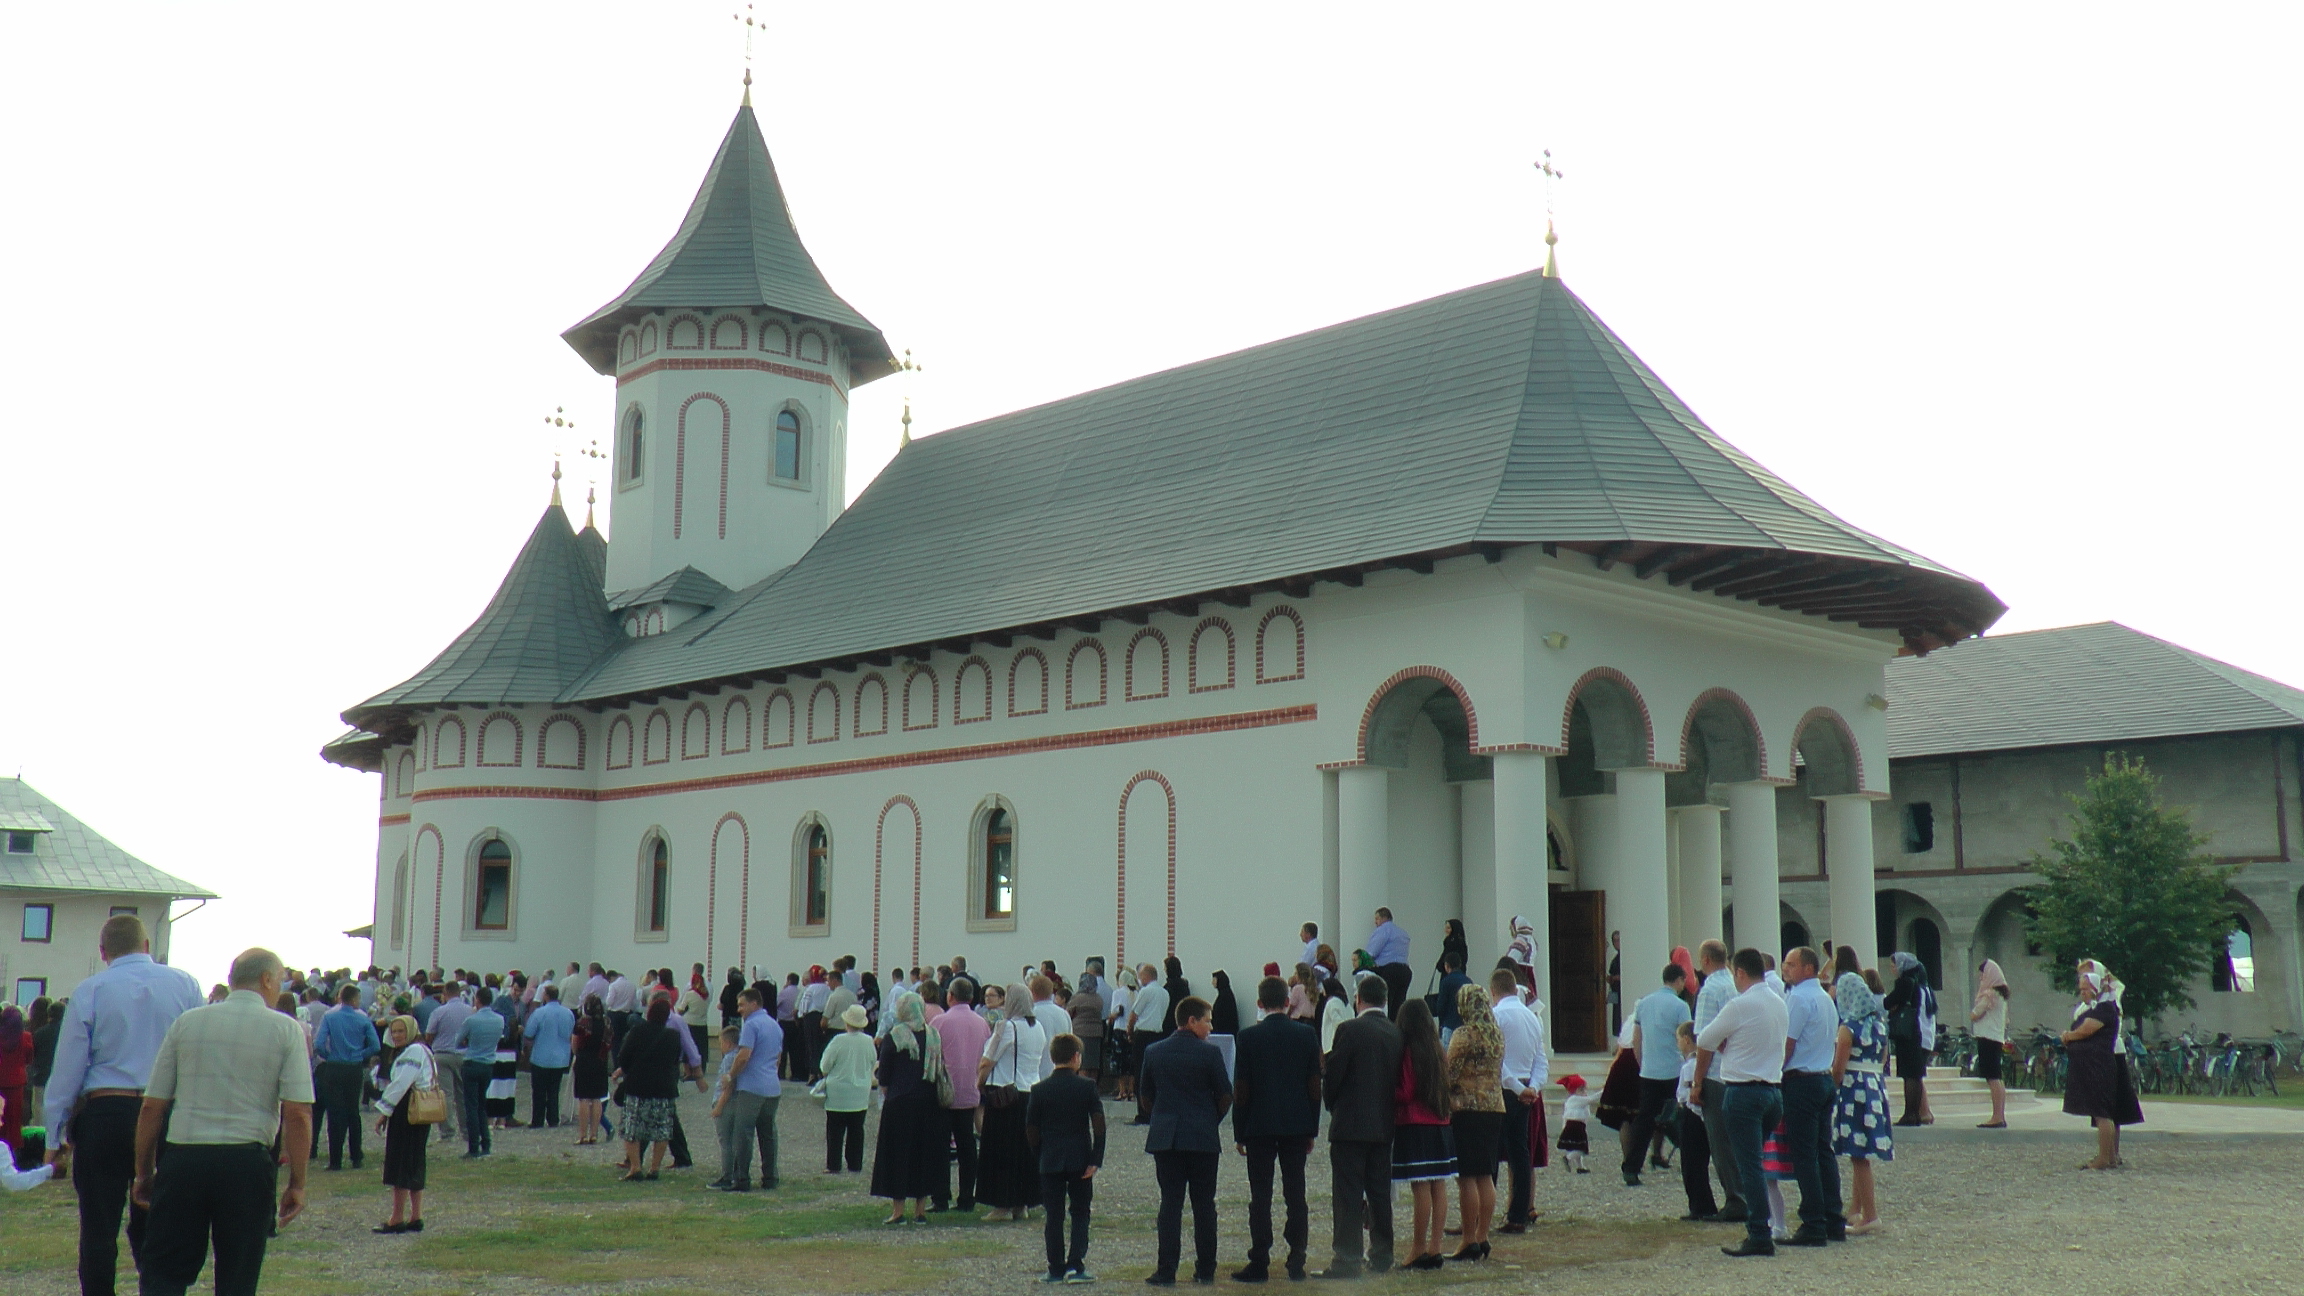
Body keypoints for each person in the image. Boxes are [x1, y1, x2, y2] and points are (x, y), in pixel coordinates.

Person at [133, 948, 314, 1296]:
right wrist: (298, 1181)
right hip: (246, 1160)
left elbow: (152, 1106)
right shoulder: (285, 1029)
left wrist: (144, 1171)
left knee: (165, 1273)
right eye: (279, 981)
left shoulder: (188, 1023)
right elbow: (298, 1113)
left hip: (185, 1157)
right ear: (266, 980)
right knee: (237, 1276)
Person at [42, 912, 204, 1296]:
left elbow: (68, 1071)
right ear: (147, 946)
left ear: (103, 952)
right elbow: (197, 1054)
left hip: (106, 1111)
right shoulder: (184, 985)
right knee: (160, 1217)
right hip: (166, 1111)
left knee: (98, 1224)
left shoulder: (91, 990)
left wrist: (55, 1134)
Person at [1691, 948, 1790, 1258]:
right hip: (1773, 1090)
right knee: (1755, 1163)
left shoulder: (1740, 1005)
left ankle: (1759, 1233)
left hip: (1743, 1090)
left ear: (1740, 973)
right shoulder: (1779, 1002)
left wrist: (1725, 1041)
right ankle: (1766, 1225)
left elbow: (1704, 1038)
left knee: (1749, 1166)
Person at [1231, 975, 1321, 1282]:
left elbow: (1241, 1088)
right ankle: (1297, 1258)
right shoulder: (1306, 1036)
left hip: (1258, 1124)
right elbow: (1313, 1086)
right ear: (1287, 1002)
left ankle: (1259, 1259)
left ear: (1259, 1004)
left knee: (1261, 1195)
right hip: (1296, 1123)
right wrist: (1312, 1127)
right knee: (1296, 1192)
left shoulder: (1247, 1037)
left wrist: (1239, 1130)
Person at [1140, 995, 1231, 1285]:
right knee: (1204, 1204)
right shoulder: (1210, 1054)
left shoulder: (1154, 1051)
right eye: (1207, 1020)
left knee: (1170, 1204)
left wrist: (1161, 1117)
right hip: (1201, 1135)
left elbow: (1145, 1096)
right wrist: (1209, 1119)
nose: (1210, 1026)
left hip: (1166, 1135)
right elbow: (1225, 1095)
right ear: (1191, 1021)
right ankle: (1205, 1269)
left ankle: (1166, 1270)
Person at [1322, 973, 1404, 1277]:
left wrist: (1332, 1104)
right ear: (1385, 1001)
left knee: (1347, 1193)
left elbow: (1334, 1076)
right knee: (1380, 1193)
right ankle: (1382, 1255)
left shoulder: (1349, 1030)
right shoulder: (1396, 1033)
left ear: (1358, 1000)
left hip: (1350, 1125)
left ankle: (1347, 1258)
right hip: (1383, 1125)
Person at [1777, 947, 1844, 1246]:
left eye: (1791, 964)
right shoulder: (1824, 998)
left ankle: (1813, 1223)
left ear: (1807, 968)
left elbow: (1787, 1044)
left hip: (1801, 1080)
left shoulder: (1800, 998)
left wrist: (1773, 1071)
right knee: (1823, 1152)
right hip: (1822, 1078)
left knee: (1805, 1155)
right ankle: (1833, 1218)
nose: (1785, 969)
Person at [1028, 1032, 1106, 1284]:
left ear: (1052, 1058)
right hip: (1080, 1157)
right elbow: (1099, 1125)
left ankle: (1055, 1267)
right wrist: (1096, 1157)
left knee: (1054, 1215)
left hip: (1050, 1157)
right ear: (1076, 1057)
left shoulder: (1039, 1089)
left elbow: (1031, 1128)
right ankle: (1076, 1265)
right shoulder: (1086, 1086)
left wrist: (1039, 1154)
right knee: (1081, 1211)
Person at [1391, 1000, 1455, 1271]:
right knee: (1439, 1185)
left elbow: (1405, 1092)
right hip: (1440, 1123)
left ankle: (1417, 1249)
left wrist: (1386, 1091)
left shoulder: (1409, 1050)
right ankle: (1435, 1247)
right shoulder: (1439, 1049)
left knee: (1421, 1188)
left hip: (1415, 1124)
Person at [2061, 959, 2143, 1171]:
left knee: (2108, 1110)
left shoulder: (2108, 1004)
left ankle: (2109, 1155)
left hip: (2109, 1056)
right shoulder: (2089, 1006)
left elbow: (2090, 1028)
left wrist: (2070, 1036)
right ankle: (2109, 1154)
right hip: (2096, 1058)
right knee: (2105, 1110)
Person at [870, 994, 946, 1222]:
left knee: (898, 1155)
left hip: (900, 1102)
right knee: (923, 1154)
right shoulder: (933, 1034)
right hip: (928, 1100)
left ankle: (898, 1211)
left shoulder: (896, 1035)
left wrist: (886, 1088)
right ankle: (920, 1209)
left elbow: (884, 1073)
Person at [978, 981, 1049, 1220]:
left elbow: (988, 1059)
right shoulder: (1037, 1027)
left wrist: (979, 1081)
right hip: (1030, 1091)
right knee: (1025, 1152)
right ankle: (1023, 1203)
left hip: (1006, 1094)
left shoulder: (1006, 1026)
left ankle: (1002, 1204)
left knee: (1002, 1151)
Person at [1829, 971, 1893, 1233]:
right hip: (1875, 1088)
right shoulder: (1880, 1025)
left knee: (1858, 1155)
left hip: (1853, 1089)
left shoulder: (1847, 1028)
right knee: (1861, 1152)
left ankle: (1870, 1215)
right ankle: (1855, 1209)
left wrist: (1830, 1088)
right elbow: (1883, 1059)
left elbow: (1839, 1068)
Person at [1445, 983, 1503, 1263]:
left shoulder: (1464, 1035)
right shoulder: (1496, 1035)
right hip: (1494, 1107)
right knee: (1485, 1175)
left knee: (1467, 1176)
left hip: (1467, 1108)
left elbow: (1450, 1072)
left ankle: (1468, 1240)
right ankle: (1482, 1235)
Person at [1688, 939, 1745, 1224]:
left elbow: (1705, 1040)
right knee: (1738, 1139)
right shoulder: (1736, 984)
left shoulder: (1710, 989)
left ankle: (1736, 1199)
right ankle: (1745, 1194)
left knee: (1720, 1142)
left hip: (1716, 1073)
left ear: (1706, 960)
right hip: (1738, 1069)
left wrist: (1696, 1081)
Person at [1621, 963, 1691, 1186]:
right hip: (1673, 1069)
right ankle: (1691, 1161)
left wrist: (1642, 1063)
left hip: (1650, 1070)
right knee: (1681, 1118)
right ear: (1679, 980)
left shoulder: (1644, 1003)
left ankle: (1632, 1166)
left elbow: (1637, 1038)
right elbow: (1686, 1039)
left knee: (1644, 1121)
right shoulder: (1680, 1006)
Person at [1490, 968, 1548, 1233]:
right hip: (1525, 1085)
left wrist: (1515, 1087)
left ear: (1494, 992)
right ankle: (1518, 1214)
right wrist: (1533, 1087)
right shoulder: (1532, 1017)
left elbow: (1495, 1059)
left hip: (1504, 1088)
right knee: (1519, 1152)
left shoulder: (1497, 1015)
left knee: (1490, 1153)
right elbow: (1541, 1059)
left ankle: (1483, 1213)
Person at [370, 1015, 434, 1234]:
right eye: (394, 1031)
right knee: (414, 1161)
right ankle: (416, 1216)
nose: (396, 1035)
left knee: (401, 1163)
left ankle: (397, 1218)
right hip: (416, 1110)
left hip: (408, 1110)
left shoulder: (413, 1052)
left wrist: (383, 1111)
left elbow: (401, 1084)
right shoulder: (419, 1049)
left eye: (401, 1031)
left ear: (411, 1031)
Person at [930, 978, 989, 1212]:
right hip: (970, 1089)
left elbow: (932, 1055)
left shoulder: (939, 1021)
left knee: (941, 1147)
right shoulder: (981, 1023)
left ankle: (941, 1196)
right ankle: (967, 1197)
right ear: (972, 998)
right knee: (967, 1146)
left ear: (950, 996)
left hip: (944, 1092)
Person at [717, 986, 784, 1192]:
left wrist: (730, 1075)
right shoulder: (774, 1025)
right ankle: (770, 1177)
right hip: (772, 1086)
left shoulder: (751, 1025)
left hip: (752, 1087)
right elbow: (778, 1058)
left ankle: (742, 1179)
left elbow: (744, 1055)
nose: (739, 1009)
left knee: (743, 1133)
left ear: (754, 1004)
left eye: (742, 1004)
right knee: (768, 1133)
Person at [612, 998, 685, 1181]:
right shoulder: (673, 1035)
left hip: (638, 1086)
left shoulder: (637, 1031)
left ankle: (635, 1167)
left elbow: (624, 1058)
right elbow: (675, 1060)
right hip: (664, 1088)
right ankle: (654, 1168)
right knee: (661, 1130)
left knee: (632, 1128)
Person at [311, 983, 380, 1172]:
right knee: (353, 1112)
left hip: (334, 1067)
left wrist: (329, 1055)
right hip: (354, 1068)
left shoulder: (330, 1017)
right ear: (355, 999)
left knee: (335, 1113)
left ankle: (335, 1160)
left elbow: (318, 1043)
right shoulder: (363, 1019)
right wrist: (360, 1054)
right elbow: (375, 1046)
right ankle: (356, 1156)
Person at [806, 1005, 869, 1174]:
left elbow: (825, 1065)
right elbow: (872, 1062)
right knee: (857, 1130)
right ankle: (855, 1164)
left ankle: (834, 1164)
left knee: (835, 1131)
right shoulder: (868, 1041)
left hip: (838, 1093)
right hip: (861, 1092)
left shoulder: (838, 1040)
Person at [449, 987, 504, 1159]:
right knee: (482, 1104)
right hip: (488, 1064)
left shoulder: (471, 1020)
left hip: (472, 1062)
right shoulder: (499, 1020)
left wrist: (468, 1041)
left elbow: (456, 1042)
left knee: (470, 1106)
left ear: (477, 1000)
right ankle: (486, 1143)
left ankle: (473, 1146)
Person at [1884, 953, 1937, 1126]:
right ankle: (1915, 1113)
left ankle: (1910, 1114)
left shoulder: (1905, 982)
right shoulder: (1924, 986)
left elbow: (1888, 1002)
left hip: (1908, 1034)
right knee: (1915, 1075)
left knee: (1909, 1076)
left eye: (1894, 965)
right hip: (1921, 1035)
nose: (1892, 969)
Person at [1673, 1022, 1716, 1222]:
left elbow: (1687, 1092)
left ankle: (1701, 1206)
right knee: (1695, 1162)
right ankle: (1701, 1204)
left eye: (1679, 1039)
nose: (1678, 1044)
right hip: (1693, 1114)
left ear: (1686, 1039)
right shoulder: (1692, 1063)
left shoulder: (1692, 1066)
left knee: (1693, 1163)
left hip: (1691, 1114)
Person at [422, 980, 472, 1147]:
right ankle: (466, 1130)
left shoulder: (439, 1011)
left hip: (443, 1055)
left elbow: (429, 1035)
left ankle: (447, 1131)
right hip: (463, 1055)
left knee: (446, 1095)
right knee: (462, 1095)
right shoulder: (469, 1011)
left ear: (445, 993)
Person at [521, 984, 574, 1130]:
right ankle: (553, 1118)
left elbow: (529, 1033)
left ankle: (537, 1120)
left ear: (546, 996)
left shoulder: (539, 1013)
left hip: (541, 1057)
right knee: (554, 1090)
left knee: (538, 1091)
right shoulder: (568, 1013)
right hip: (560, 1058)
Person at [1128, 963, 1171, 1126]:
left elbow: (1134, 1014)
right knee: (1155, 1073)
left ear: (1145, 976)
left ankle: (1143, 1112)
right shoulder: (1164, 993)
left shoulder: (1146, 991)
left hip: (1143, 1034)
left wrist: (1129, 1032)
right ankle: (1154, 1110)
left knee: (1140, 1072)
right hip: (1158, 1034)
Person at [1971, 958, 2011, 1128]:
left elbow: (1975, 1014)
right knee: (1996, 1077)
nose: (1981, 979)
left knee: (1992, 1077)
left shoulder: (1989, 994)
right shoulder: (2002, 995)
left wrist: (1974, 1011)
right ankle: (1999, 1114)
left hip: (1987, 1038)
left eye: (1983, 975)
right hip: (1996, 1037)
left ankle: (1997, 1116)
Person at [570, 995, 614, 1147]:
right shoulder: (606, 1022)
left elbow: (575, 1044)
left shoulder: (582, 1023)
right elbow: (609, 1043)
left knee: (583, 1098)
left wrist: (578, 1054)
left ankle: (582, 1134)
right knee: (596, 1099)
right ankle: (594, 1134)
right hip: (600, 1060)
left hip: (584, 1060)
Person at [1367, 908, 1412, 1022]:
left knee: (1386, 1004)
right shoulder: (1403, 933)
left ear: (1384, 918)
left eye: (1377, 918)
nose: (1375, 922)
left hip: (1389, 970)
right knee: (1399, 1005)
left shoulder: (1383, 930)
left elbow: (1372, 952)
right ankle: (1397, 1030)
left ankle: (1386, 1030)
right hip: (1405, 971)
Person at [0, 1004, 32, 1165]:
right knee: (14, 1119)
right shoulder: (25, 1036)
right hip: (17, 1083)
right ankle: (14, 1153)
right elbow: (29, 1058)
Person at [1029, 976, 1071, 1081]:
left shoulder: (1031, 1014)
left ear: (1032, 992)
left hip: (1037, 1071)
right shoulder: (1064, 1014)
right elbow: (1070, 1042)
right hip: (1061, 1070)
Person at [1433, 954, 1472, 1046]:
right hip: (1465, 1025)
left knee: (1449, 1056)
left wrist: (1441, 1022)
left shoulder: (1446, 981)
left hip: (1449, 1025)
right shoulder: (1468, 981)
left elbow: (1441, 1006)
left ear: (1447, 966)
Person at [1504, 917, 1538, 996]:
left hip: (1520, 974)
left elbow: (1511, 959)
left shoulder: (1521, 939)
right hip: (1529, 974)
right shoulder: (1532, 940)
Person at [1318, 976, 1352, 1055]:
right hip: (1346, 1045)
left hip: (1332, 1045)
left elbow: (1338, 1023)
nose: (1322, 991)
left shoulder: (1332, 1002)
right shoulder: (1347, 1004)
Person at [1208, 971, 1241, 1036]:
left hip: (1224, 1032)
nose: (1212, 983)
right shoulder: (1225, 993)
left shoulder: (1225, 995)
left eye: (1214, 980)